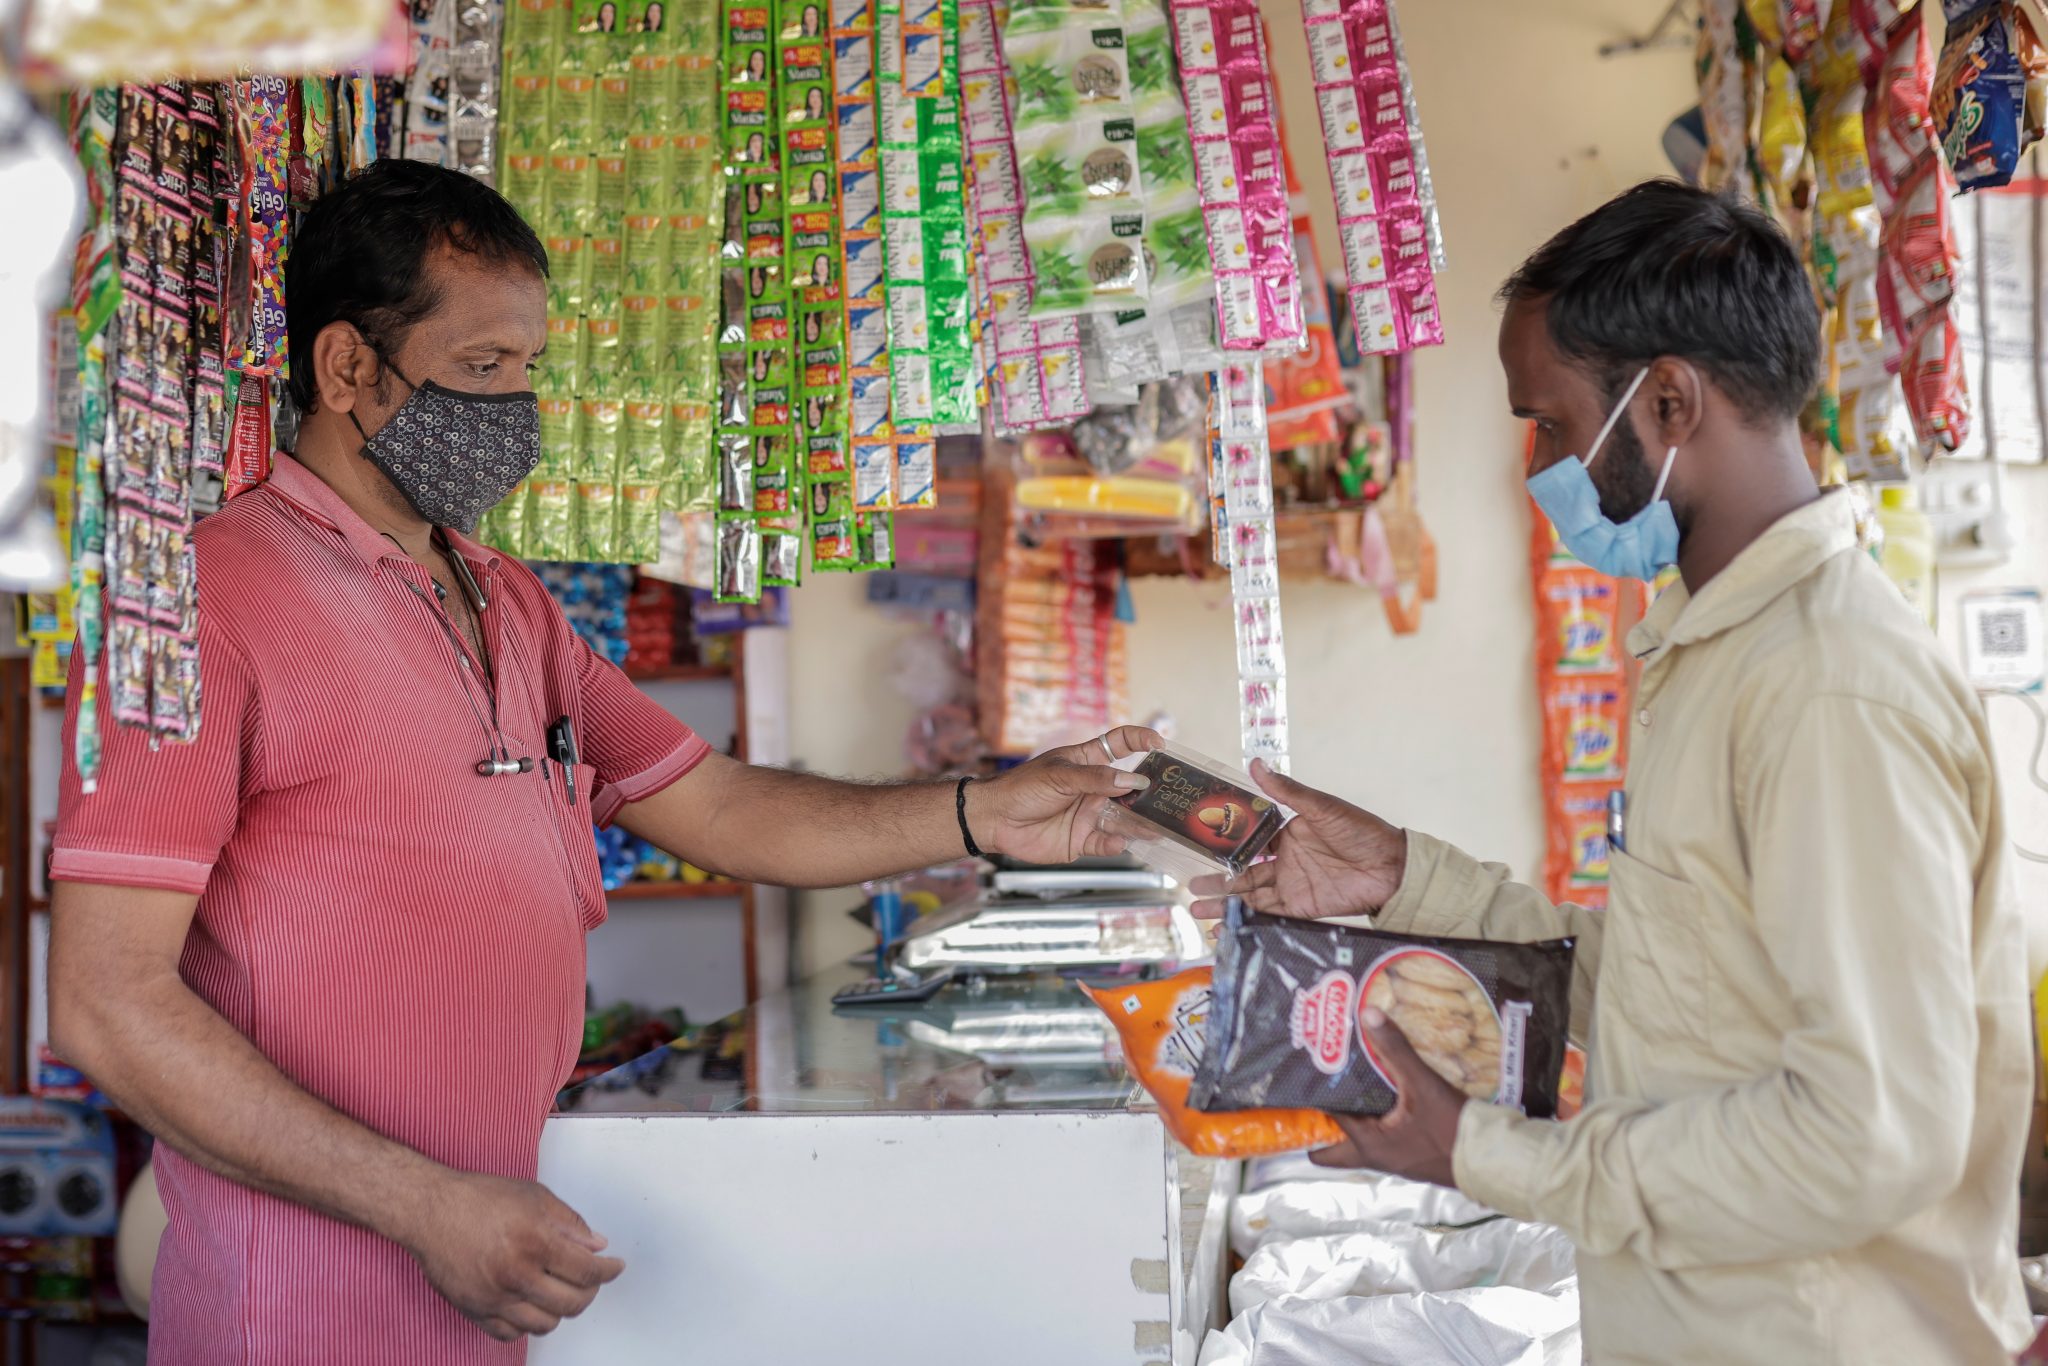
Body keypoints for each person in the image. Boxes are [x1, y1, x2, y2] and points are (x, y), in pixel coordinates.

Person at [47, 160, 1159, 1366]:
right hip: (300, 1313)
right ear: (347, 368)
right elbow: (110, 1003)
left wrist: (988, 811)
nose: (514, 408)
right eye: (481, 370)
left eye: (528, 371)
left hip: (492, 1295)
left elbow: (725, 806)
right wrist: (420, 1204)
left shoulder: (508, 601)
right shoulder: (207, 595)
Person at [1192, 181, 2033, 1365]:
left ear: (1670, 399)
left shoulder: (1828, 688)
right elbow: (1674, 990)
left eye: (1547, 422)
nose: (1539, 468)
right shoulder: (1712, 651)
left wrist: (1488, 1157)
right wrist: (1398, 877)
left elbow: (1869, 1135)